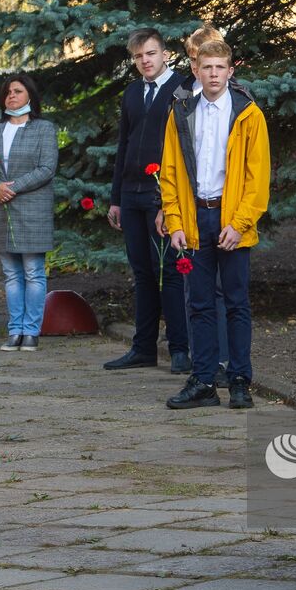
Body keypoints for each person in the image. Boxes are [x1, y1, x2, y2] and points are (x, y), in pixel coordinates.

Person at [161, 39, 271, 410]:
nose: (213, 74)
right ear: (196, 70)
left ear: (230, 71)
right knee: (199, 303)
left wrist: (240, 223)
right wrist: (175, 221)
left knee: (237, 302)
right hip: (195, 216)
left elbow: (258, 179)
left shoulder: (248, 114)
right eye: (206, 67)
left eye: (220, 68)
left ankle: (240, 378)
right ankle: (204, 379)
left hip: (231, 218)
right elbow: (171, 172)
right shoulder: (181, 112)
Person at [103, 28, 191, 372]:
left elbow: (186, 147)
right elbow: (123, 145)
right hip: (131, 193)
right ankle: (142, 348)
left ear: (165, 54)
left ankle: (179, 349)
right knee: (141, 272)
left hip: (163, 195)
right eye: (139, 56)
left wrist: (170, 203)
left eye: (151, 54)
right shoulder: (132, 92)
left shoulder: (181, 89)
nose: (145, 61)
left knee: (170, 270)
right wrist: (116, 199)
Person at [169, 24, 233, 385]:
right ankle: (203, 364)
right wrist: (172, 210)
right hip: (191, 208)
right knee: (198, 292)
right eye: (195, 60)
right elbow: (174, 160)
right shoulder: (180, 98)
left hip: (224, 206)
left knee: (228, 293)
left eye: (210, 61)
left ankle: (225, 362)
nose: (203, 69)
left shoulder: (237, 100)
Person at [0, 72, 58, 353]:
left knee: (33, 271)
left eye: (18, 91)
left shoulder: (44, 128)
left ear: (30, 96)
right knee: (11, 273)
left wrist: (13, 187)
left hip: (33, 207)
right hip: (3, 208)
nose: (12, 95)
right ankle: (15, 330)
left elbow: (47, 168)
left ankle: (31, 331)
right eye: (8, 92)